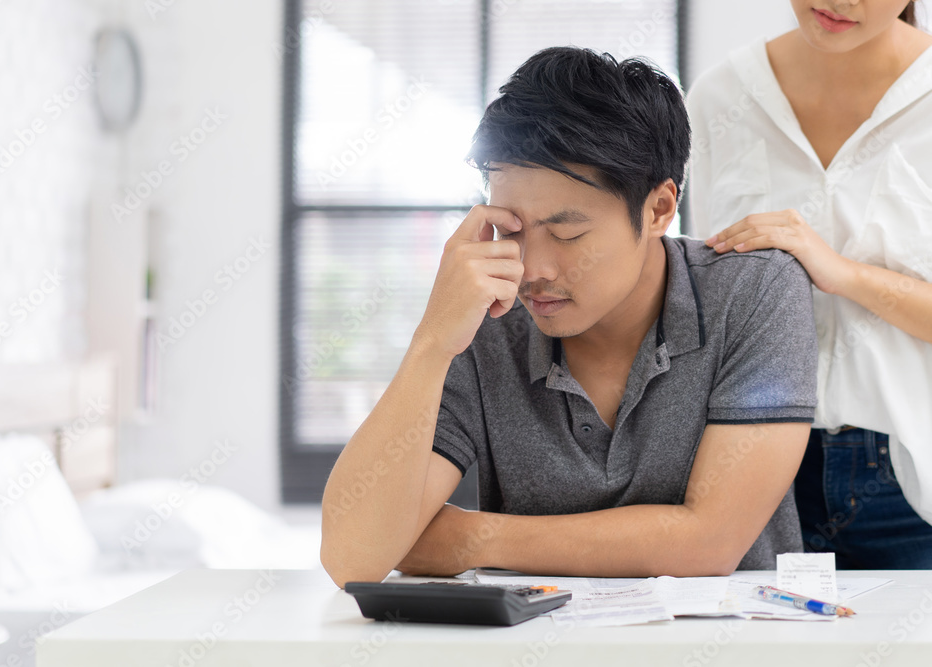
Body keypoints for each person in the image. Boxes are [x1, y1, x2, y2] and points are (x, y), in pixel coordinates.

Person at [320, 46, 819, 588]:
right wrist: (432, 343)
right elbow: (353, 557)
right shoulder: (483, 316)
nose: (532, 270)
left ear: (658, 209)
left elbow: (711, 542)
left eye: (567, 234)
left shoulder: (755, 291)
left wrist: (470, 538)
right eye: (511, 230)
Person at [686, 1, 932, 568]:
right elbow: (706, 299)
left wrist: (842, 273)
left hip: (911, 478)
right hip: (751, 468)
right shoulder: (720, 97)